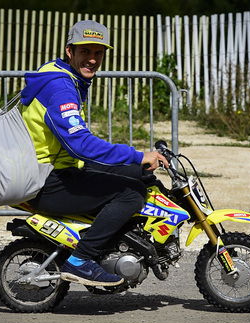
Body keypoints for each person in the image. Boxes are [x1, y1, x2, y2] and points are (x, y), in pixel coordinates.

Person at [19, 20, 168, 287]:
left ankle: (115, 244)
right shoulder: (60, 87)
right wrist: (136, 155)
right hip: (47, 180)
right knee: (131, 194)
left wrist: (137, 163)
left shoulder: (63, 76)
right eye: (85, 51)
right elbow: (81, 145)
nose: (92, 59)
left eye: (98, 53)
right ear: (70, 51)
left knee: (139, 175)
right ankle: (81, 261)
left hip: (58, 171)